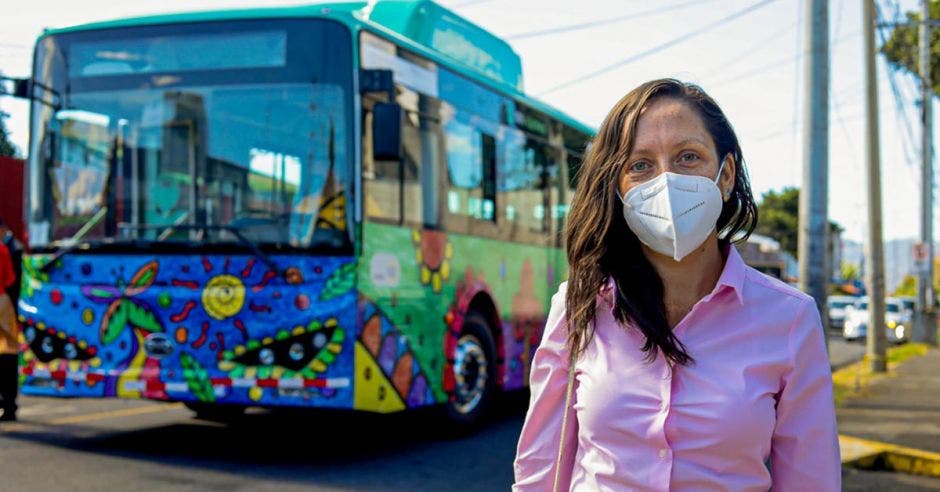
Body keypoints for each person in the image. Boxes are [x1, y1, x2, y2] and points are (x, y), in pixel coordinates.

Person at [512, 79, 839, 490]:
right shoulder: (579, 305)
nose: (665, 182)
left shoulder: (790, 318)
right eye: (640, 165)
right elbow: (541, 466)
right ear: (619, 188)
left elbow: (811, 479)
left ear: (725, 175)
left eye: (688, 157)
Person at [0, 236, 17, 422]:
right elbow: (10, 278)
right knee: (9, 350)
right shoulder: (3, 249)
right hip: (1, 301)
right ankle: (9, 404)